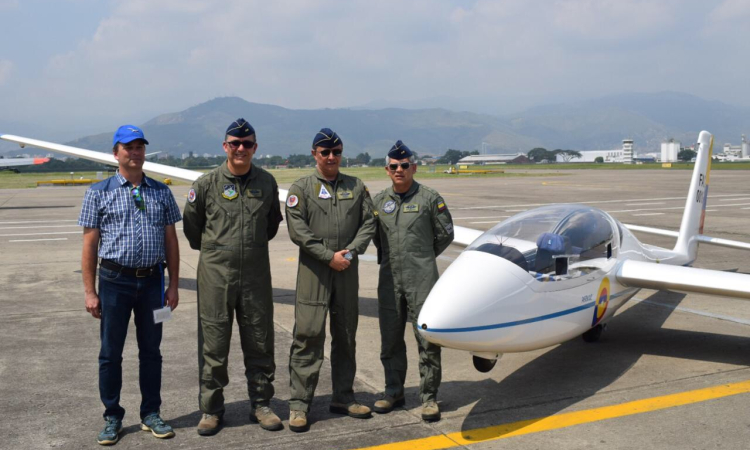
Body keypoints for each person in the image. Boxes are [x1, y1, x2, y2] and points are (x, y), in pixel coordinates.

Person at [79, 125, 181, 445]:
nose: (134, 152)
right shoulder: (99, 192)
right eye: (128, 147)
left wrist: (173, 285)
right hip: (114, 283)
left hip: (152, 283)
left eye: (139, 147)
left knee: (151, 352)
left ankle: (151, 413)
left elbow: (171, 240)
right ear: (116, 153)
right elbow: (89, 245)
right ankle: (112, 417)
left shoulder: (161, 192)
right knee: (111, 353)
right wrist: (89, 291)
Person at [182, 118, 284, 435]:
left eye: (247, 144)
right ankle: (211, 410)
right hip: (215, 275)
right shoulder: (206, 184)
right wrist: (219, 251)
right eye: (235, 144)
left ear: (255, 147)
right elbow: (192, 228)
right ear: (225, 147)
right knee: (213, 344)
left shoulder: (266, 183)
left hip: (255, 274)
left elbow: (270, 225)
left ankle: (261, 405)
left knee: (259, 340)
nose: (241, 149)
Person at [285, 128, 377, 432]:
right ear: (314, 154)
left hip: (347, 271)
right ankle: (299, 404)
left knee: (346, 333)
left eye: (336, 151)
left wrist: (350, 252)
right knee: (308, 335)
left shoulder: (357, 186)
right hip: (316, 272)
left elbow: (369, 223)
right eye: (324, 152)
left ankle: (343, 396)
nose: (331, 157)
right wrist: (328, 256)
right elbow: (298, 231)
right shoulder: (302, 189)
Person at [371, 140, 454, 422]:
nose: (399, 170)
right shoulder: (380, 202)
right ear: (387, 169)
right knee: (390, 339)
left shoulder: (430, 198)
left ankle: (429, 397)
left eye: (404, 166)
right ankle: (393, 391)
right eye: (394, 166)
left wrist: (422, 258)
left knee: (426, 340)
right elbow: (376, 239)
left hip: (422, 279)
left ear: (413, 167)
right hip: (389, 278)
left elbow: (445, 235)